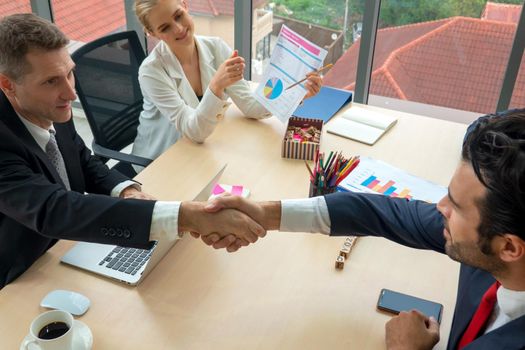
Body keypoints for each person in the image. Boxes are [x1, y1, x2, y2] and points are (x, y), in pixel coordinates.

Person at [203, 109, 525, 349]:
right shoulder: (493, 247)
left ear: (509, 247)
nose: (440, 206)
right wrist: (266, 213)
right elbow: (379, 212)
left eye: (455, 206)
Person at [0, 13, 264, 289]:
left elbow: (81, 159)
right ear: (8, 85)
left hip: (68, 248)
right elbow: (53, 210)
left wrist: (125, 191)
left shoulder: (46, 105)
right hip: (22, 274)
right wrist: (185, 216)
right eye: (51, 82)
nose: (71, 93)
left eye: (69, 73)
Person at [131, 0, 323, 162]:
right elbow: (193, 131)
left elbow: (250, 106)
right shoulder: (151, 72)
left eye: (178, 15)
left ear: (184, 4)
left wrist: (297, 93)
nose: (179, 28)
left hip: (199, 151)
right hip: (161, 159)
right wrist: (216, 85)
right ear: (152, 33)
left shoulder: (215, 47)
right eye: (165, 28)